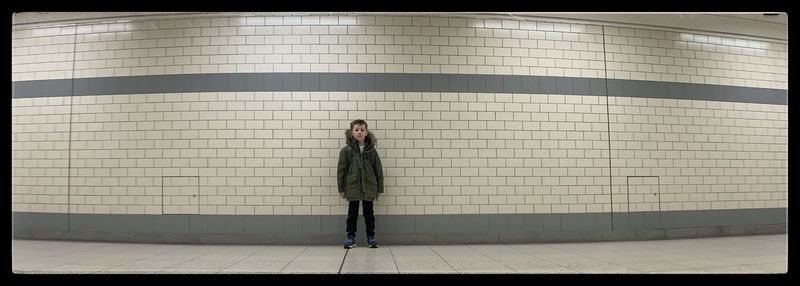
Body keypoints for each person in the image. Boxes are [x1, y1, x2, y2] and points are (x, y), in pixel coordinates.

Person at [337, 119, 384, 249]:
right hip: (352, 186)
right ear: (352, 132)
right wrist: (341, 188)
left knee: (369, 213)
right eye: (356, 130)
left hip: (369, 186)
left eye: (362, 130)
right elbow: (341, 170)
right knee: (352, 213)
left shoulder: (371, 151)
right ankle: (350, 237)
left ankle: (371, 237)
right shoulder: (347, 151)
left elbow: (378, 169)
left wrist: (379, 188)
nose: (359, 132)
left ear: (366, 132)